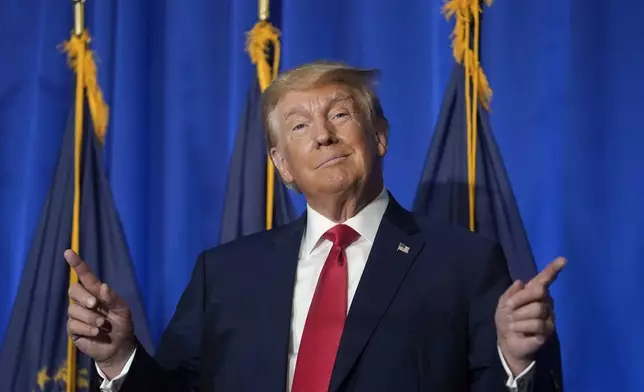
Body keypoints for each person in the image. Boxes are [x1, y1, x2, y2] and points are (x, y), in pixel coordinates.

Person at [66, 61, 565, 392]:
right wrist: (119, 358)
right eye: (300, 126)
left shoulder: (464, 263)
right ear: (282, 166)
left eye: (341, 114)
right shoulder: (224, 273)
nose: (324, 135)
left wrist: (513, 363)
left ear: (380, 137)